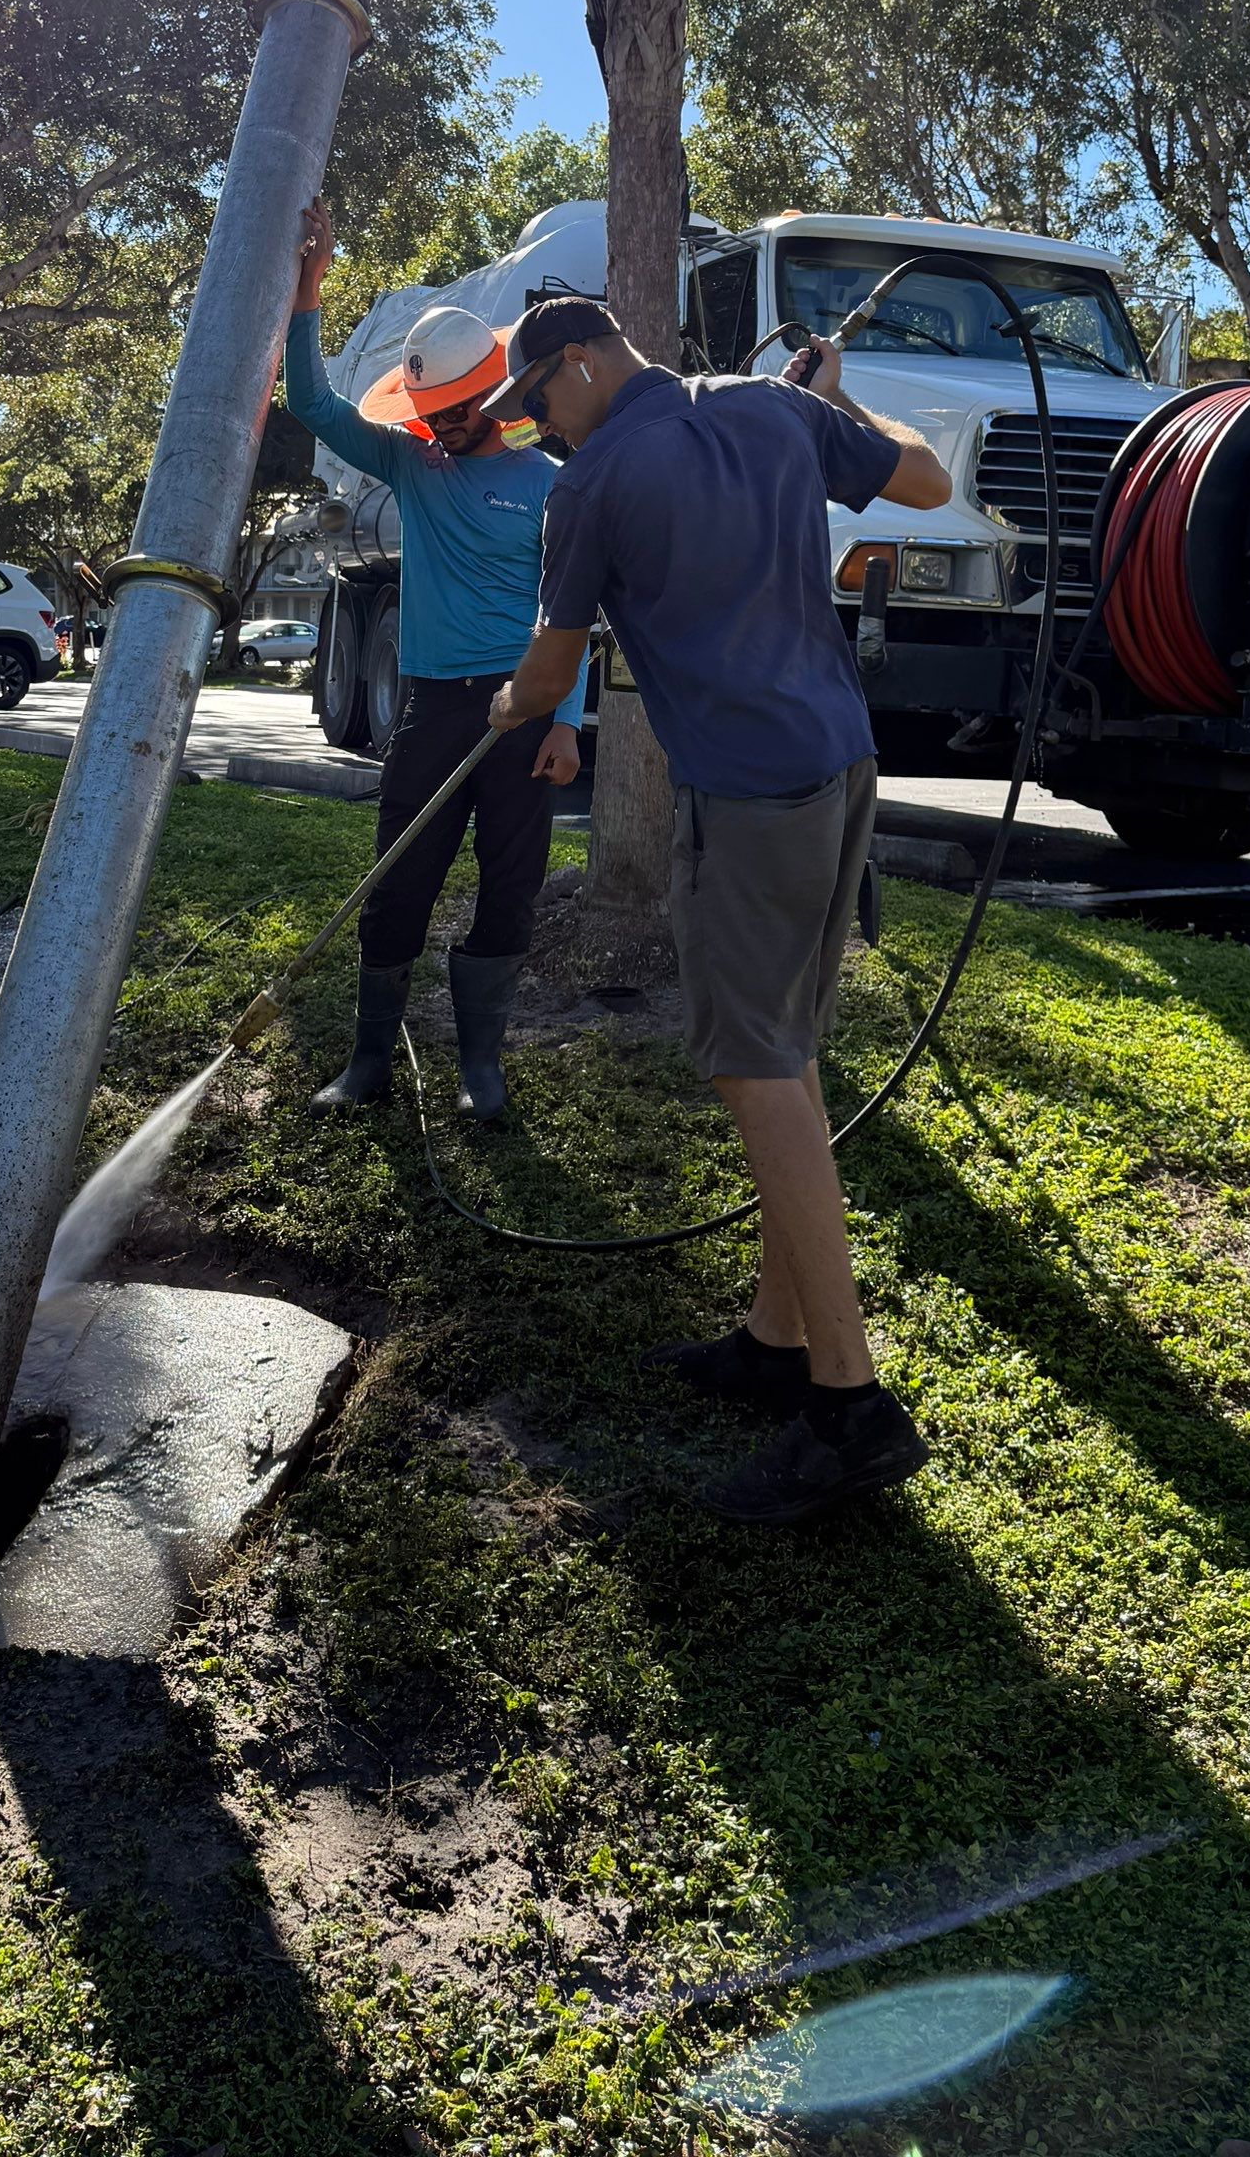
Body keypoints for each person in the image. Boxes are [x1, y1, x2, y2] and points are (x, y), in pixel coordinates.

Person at [481, 296, 952, 1523]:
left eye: (539, 403)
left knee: (756, 1064)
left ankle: (849, 1406)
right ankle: (777, 1340)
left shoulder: (591, 484)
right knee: (786, 1050)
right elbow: (925, 477)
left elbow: (550, 665)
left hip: (747, 794)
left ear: (582, 361)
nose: (542, 429)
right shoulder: (772, 408)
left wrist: (509, 710)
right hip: (840, 767)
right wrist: (835, 398)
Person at [284, 197, 585, 1120]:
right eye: (429, 413)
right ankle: (369, 1060)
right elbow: (311, 404)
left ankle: (480, 1068)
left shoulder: (550, 485)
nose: (441, 426)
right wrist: (310, 290)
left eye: (454, 411)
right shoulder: (413, 466)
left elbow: (572, 611)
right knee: (397, 882)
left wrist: (565, 724)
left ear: (492, 394)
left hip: (524, 711)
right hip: (431, 708)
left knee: (510, 887)